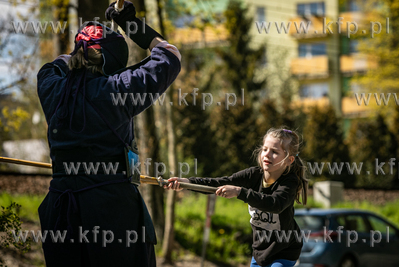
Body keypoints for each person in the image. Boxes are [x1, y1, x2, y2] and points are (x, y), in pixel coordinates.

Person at [36, 1, 181, 266]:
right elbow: (169, 55)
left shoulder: (50, 87)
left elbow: (55, 66)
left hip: (60, 216)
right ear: (112, 59)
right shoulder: (120, 89)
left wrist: (84, 42)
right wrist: (130, 23)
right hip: (114, 216)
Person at [165, 127, 309, 267]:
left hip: (284, 251)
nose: (267, 154)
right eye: (265, 149)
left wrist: (240, 192)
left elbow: (275, 204)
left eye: (275, 152)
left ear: (289, 160)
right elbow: (218, 183)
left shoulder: (290, 182)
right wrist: (188, 182)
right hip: (260, 252)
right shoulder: (253, 175)